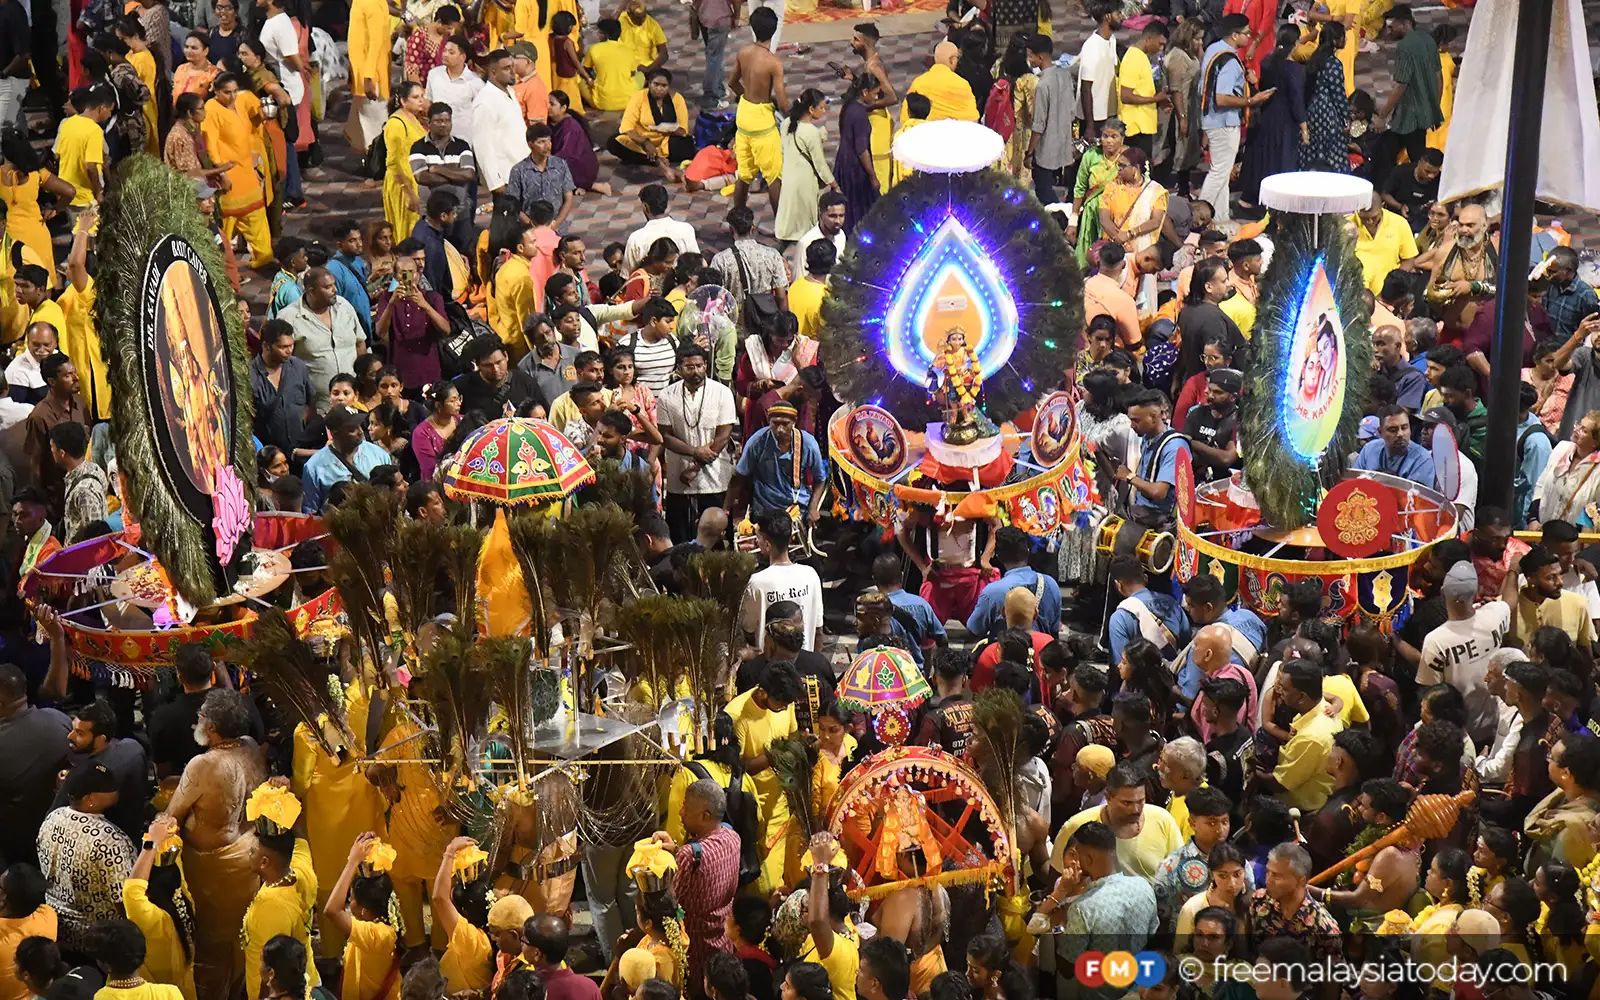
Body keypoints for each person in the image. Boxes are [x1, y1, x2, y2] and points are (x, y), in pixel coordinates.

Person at [37, 763, 136, 952]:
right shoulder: (110, 840)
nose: (116, 790)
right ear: (90, 798)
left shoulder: (52, 818)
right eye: (108, 788)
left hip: (56, 927)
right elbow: (125, 898)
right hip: (99, 938)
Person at [721, 665, 799, 896]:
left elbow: (792, 735)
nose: (785, 708)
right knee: (765, 888)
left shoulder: (785, 699)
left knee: (788, 880)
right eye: (781, 704)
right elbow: (735, 769)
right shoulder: (737, 716)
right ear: (763, 693)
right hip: (753, 812)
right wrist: (773, 756)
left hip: (782, 804)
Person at [1036, 820, 1159, 956]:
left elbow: (1067, 967)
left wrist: (1057, 926)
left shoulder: (1083, 908)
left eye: (1077, 855)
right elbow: (1153, 934)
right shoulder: (1144, 886)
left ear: (1088, 860)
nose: (1074, 861)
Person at [1196, 16, 1274, 228]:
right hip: (1224, 121)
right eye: (1246, 33)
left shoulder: (1213, 49)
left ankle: (1219, 219)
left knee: (1221, 171)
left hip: (1211, 120)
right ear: (1234, 35)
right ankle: (1199, 219)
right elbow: (1221, 98)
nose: (1249, 37)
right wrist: (1251, 100)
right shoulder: (1229, 60)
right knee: (1219, 173)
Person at [1256, 660, 1345, 812]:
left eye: (1285, 689)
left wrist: (1253, 772)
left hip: (1300, 808)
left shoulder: (1311, 738)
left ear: (1301, 697)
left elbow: (1280, 784)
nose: (1280, 692)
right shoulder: (1320, 707)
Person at [281, 269, 367, 414]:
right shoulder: (290, 317)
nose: (335, 290)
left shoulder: (344, 307)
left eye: (334, 285)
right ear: (311, 290)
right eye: (327, 287)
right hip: (317, 406)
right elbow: (283, 364)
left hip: (352, 402)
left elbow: (360, 343)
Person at [1239, 25, 1306, 209]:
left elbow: (1265, 87)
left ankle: (1252, 197)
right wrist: (1304, 127)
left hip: (1265, 116)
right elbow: (1296, 99)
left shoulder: (1267, 61)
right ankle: (1277, 203)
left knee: (1262, 157)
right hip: (1284, 122)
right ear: (1296, 43)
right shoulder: (1295, 70)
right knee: (1281, 159)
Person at [729, 8, 787, 214]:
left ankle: (737, 220)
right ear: (774, 30)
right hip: (763, 122)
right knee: (773, 177)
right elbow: (782, 101)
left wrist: (750, 98)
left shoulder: (743, 53)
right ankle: (782, 229)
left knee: (743, 174)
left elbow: (732, 83)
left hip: (744, 115)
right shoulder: (774, 63)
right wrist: (793, 115)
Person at [1376, 5, 1442, 185]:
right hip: (1422, 113)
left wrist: (1382, 115)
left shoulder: (1405, 46)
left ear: (1405, 23)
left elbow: (1400, 86)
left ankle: (1390, 191)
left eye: (1392, 27)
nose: (1389, 32)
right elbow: (1438, 77)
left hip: (1408, 116)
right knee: (1411, 152)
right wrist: (1434, 109)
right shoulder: (1428, 40)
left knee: (1393, 155)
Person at [739, 512, 823, 649]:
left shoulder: (757, 582)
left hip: (769, 664)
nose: (755, 541)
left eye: (758, 537)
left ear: (767, 545)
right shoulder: (811, 575)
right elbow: (818, 630)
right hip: (804, 662)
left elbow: (748, 630)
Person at [966, 526, 1062, 639]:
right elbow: (1054, 631)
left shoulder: (992, 592)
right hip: (1041, 653)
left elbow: (974, 629)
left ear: (998, 556)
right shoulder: (1051, 584)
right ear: (1028, 551)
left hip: (1004, 655)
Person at [610, 71, 694, 183]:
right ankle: (660, 163)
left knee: (687, 145)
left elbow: (683, 131)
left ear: (669, 86)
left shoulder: (677, 99)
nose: (659, 88)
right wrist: (645, 143)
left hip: (666, 142)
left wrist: (665, 129)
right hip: (641, 142)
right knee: (613, 142)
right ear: (649, 83)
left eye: (664, 86)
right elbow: (626, 127)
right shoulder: (638, 97)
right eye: (656, 84)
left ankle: (651, 160)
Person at [473, 49, 531, 195]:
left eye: (513, 67)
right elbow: (483, 146)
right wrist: (496, 183)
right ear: (493, 72)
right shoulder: (485, 102)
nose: (513, 72)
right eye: (506, 68)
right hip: (506, 176)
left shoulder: (510, 92)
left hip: (523, 170)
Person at [382, 82, 431, 244]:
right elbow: (393, 163)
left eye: (422, 96)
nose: (421, 101)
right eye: (415, 97)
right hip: (402, 185)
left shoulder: (415, 119)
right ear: (403, 101)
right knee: (406, 232)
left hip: (415, 181)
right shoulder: (396, 124)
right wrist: (408, 193)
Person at [1300, 22, 1350, 173]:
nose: (1345, 40)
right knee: (1332, 155)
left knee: (1313, 152)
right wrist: (1346, 119)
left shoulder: (1314, 59)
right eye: (1343, 37)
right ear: (1335, 41)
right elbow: (1338, 94)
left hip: (1312, 111)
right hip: (1327, 112)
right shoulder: (1334, 64)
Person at [508, 123, 576, 231]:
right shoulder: (518, 170)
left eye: (549, 140)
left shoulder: (560, 165)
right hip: (529, 230)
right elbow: (512, 203)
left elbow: (568, 198)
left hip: (557, 228)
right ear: (530, 144)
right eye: (541, 142)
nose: (547, 146)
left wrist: (556, 224)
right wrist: (531, 225)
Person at [1182, 367, 1241, 484]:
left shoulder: (1240, 420)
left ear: (1233, 397)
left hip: (1226, 484)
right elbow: (1183, 451)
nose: (1211, 395)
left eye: (1218, 392)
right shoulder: (1196, 413)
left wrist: (1193, 443)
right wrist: (1214, 454)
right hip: (1194, 481)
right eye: (1210, 390)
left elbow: (1226, 459)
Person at [1354, 403, 1435, 483]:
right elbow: (1354, 484)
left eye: (1404, 428)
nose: (1400, 434)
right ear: (1380, 432)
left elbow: (1418, 495)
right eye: (1393, 430)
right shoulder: (1369, 450)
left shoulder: (1422, 459)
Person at [904, 40, 977, 123]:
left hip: (924, 132)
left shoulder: (919, 82)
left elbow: (906, 115)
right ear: (952, 60)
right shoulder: (961, 84)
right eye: (957, 58)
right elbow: (972, 118)